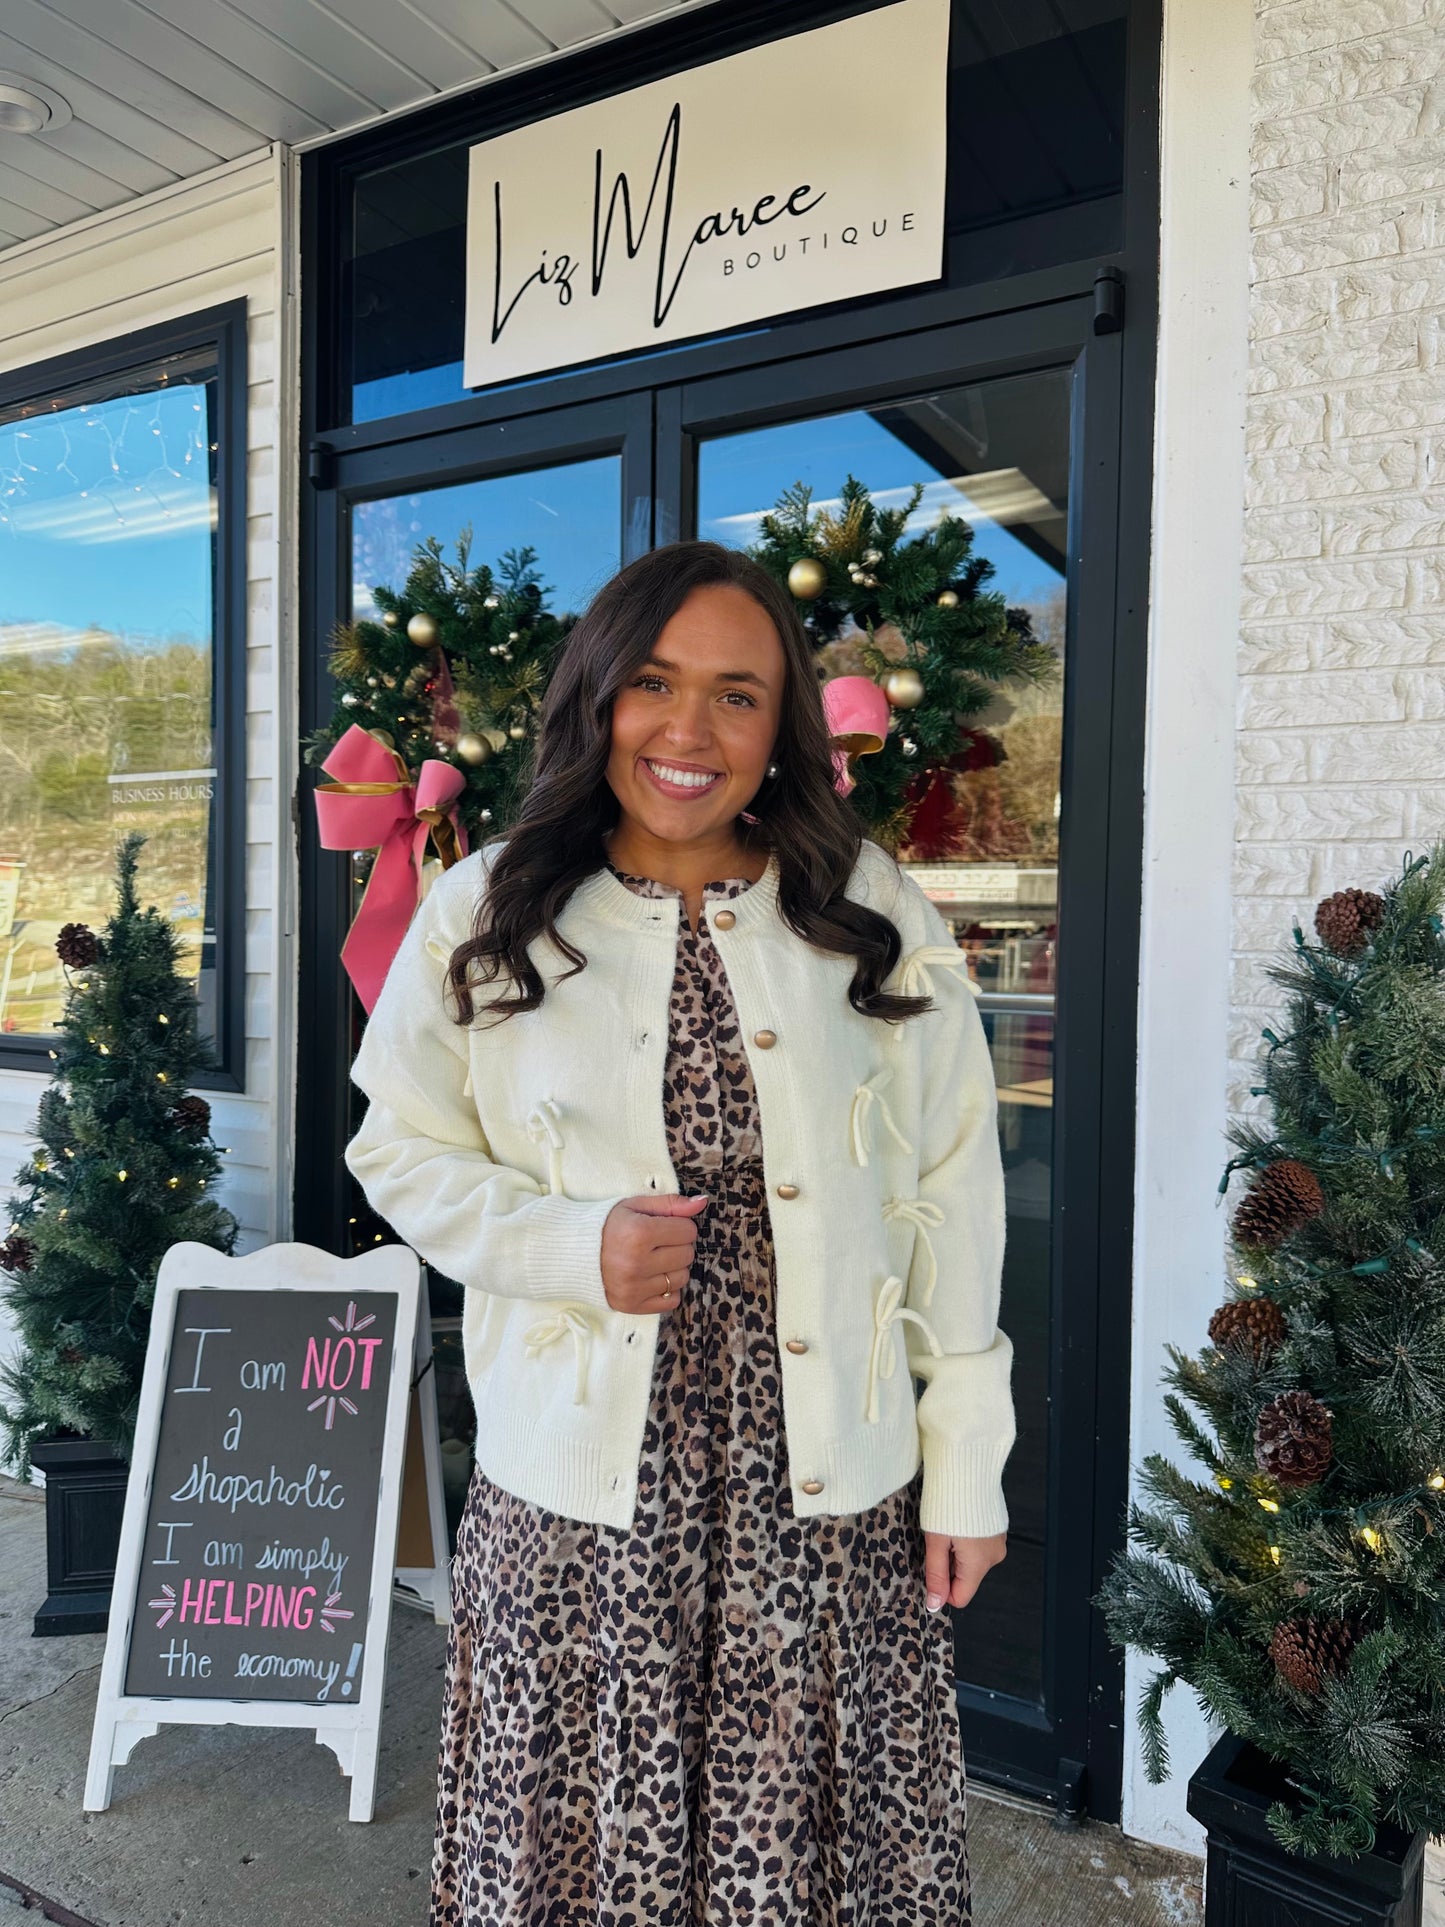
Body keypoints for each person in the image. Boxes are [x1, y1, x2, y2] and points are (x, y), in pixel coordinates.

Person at [344, 540, 1016, 1925]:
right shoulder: (489, 910)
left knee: (816, 1854)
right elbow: (395, 1147)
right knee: (588, 1853)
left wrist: (966, 1468)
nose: (688, 731)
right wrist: (563, 1244)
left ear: (779, 730)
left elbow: (954, 1183)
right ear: (596, 697)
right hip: (582, 1491)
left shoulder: (865, 909)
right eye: (652, 684)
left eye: (736, 694)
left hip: (821, 1488)